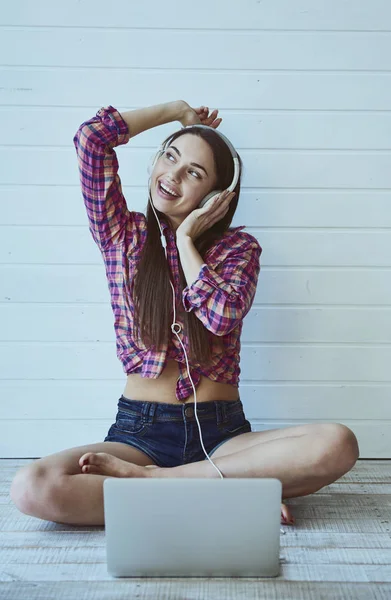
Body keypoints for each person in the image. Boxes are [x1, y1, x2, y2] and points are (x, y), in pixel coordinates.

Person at [10, 100, 359, 527]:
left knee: (337, 442)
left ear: (217, 196)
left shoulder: (238, 250)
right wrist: (177, 111)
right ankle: (219, 493)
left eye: (194, 172)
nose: (172, 176)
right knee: (33, 487)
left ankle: (158, 485)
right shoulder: (124, 235)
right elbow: (92, 139)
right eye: (169, 157)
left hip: (224, 436)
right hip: (140, 434)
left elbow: (221, 316)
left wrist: (188, 242)